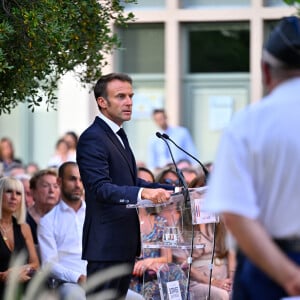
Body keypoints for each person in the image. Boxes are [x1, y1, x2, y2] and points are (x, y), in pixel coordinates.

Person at [203, 16, 300, 299]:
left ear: (265, 72)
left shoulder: (248, 124)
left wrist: (289, 275)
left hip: (266, 268)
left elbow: (234, 213)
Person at [76, 72, 174, 299]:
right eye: (120, 96)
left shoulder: (118, 134)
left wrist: (175, 190)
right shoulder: (93, 137)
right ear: (102, 102)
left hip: (124, 244)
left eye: (131, 96)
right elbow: (100, 188)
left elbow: (129, 182)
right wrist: (143, 192)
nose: (129, 102)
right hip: (106, 245)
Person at [38, 162, 86, 300]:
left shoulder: (95, 215)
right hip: (69, 284)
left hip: (100, 279)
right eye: (72, 179)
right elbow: (49, 264)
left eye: (81, 179)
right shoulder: (47, 221)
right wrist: (78, 277)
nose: (78, 184)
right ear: (59, 181)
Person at [0, 177, 39, 298]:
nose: (14, 197)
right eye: (8, 191)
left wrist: (17, 271)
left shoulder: (24, 227)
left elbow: (35, 263)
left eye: (18, 193)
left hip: (21, 282)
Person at [27, 169, 60, 244]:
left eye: (56, 186)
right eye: (45, 186)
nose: (51, 190)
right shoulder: (23, 219)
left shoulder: (65, 218)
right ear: (32, 191)